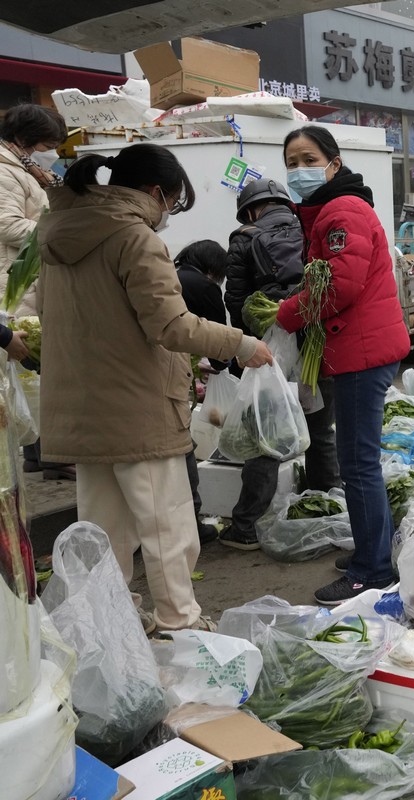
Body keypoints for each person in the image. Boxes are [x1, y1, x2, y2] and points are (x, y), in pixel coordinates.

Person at [36, 143, 273, 634]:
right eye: (175, 202)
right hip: (136, 407)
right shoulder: (133, 237)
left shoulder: (58, 235)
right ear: (155, 192)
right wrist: (241, 343)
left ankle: (114, 623)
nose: (169, 213)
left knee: (104, 532)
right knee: (168, 526)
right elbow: (171, 325)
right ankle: (178, 620)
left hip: (83, 407)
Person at [275, 126, 409, 604]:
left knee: (358, 465)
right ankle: (370, 551)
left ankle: (372, 570)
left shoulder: (343, 211)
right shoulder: (336, 208)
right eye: (290, 162)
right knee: (360, 463)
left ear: (332, 162)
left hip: (361, 353)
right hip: (359, 349)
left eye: (307, 159)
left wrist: (286, 313)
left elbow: (338, 287)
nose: (298, 170)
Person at [220, 177, 340, 551]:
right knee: (321, 427)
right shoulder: (308, 225)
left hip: (271, 346)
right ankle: (326, 507)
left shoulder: (243, 238)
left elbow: (237, 301)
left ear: (252, 209)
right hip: (316, 340)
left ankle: (246, 527)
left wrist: (247, 348)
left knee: (266, 434)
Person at [1, 103, 71, 480]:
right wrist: (59, 231)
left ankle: (41, 454)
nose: (52, 150)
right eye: (47, 142)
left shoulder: (26, 169)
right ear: (25, 140)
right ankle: (48, 454)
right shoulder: (4, 172)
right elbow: (8, 225)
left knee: (34, 372)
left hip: (30, 282)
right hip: (14, 283)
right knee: (33, 370)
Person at [174, 238, 230, 545]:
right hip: (169, 383)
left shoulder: (171, 273)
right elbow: (219, 339)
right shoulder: (204, 286)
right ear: (213, 267)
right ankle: (191, 525)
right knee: (182, 446)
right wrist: (223, 365)